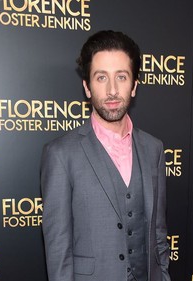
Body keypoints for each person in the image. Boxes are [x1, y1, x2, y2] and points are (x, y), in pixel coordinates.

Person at [41, 30, 171, 281]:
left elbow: (159, 233)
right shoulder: (60, 154)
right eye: (101, 78)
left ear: (134, 86)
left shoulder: (154, 148)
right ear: (87, 87)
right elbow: (58, 250)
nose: (112, 90)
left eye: (121, 77)